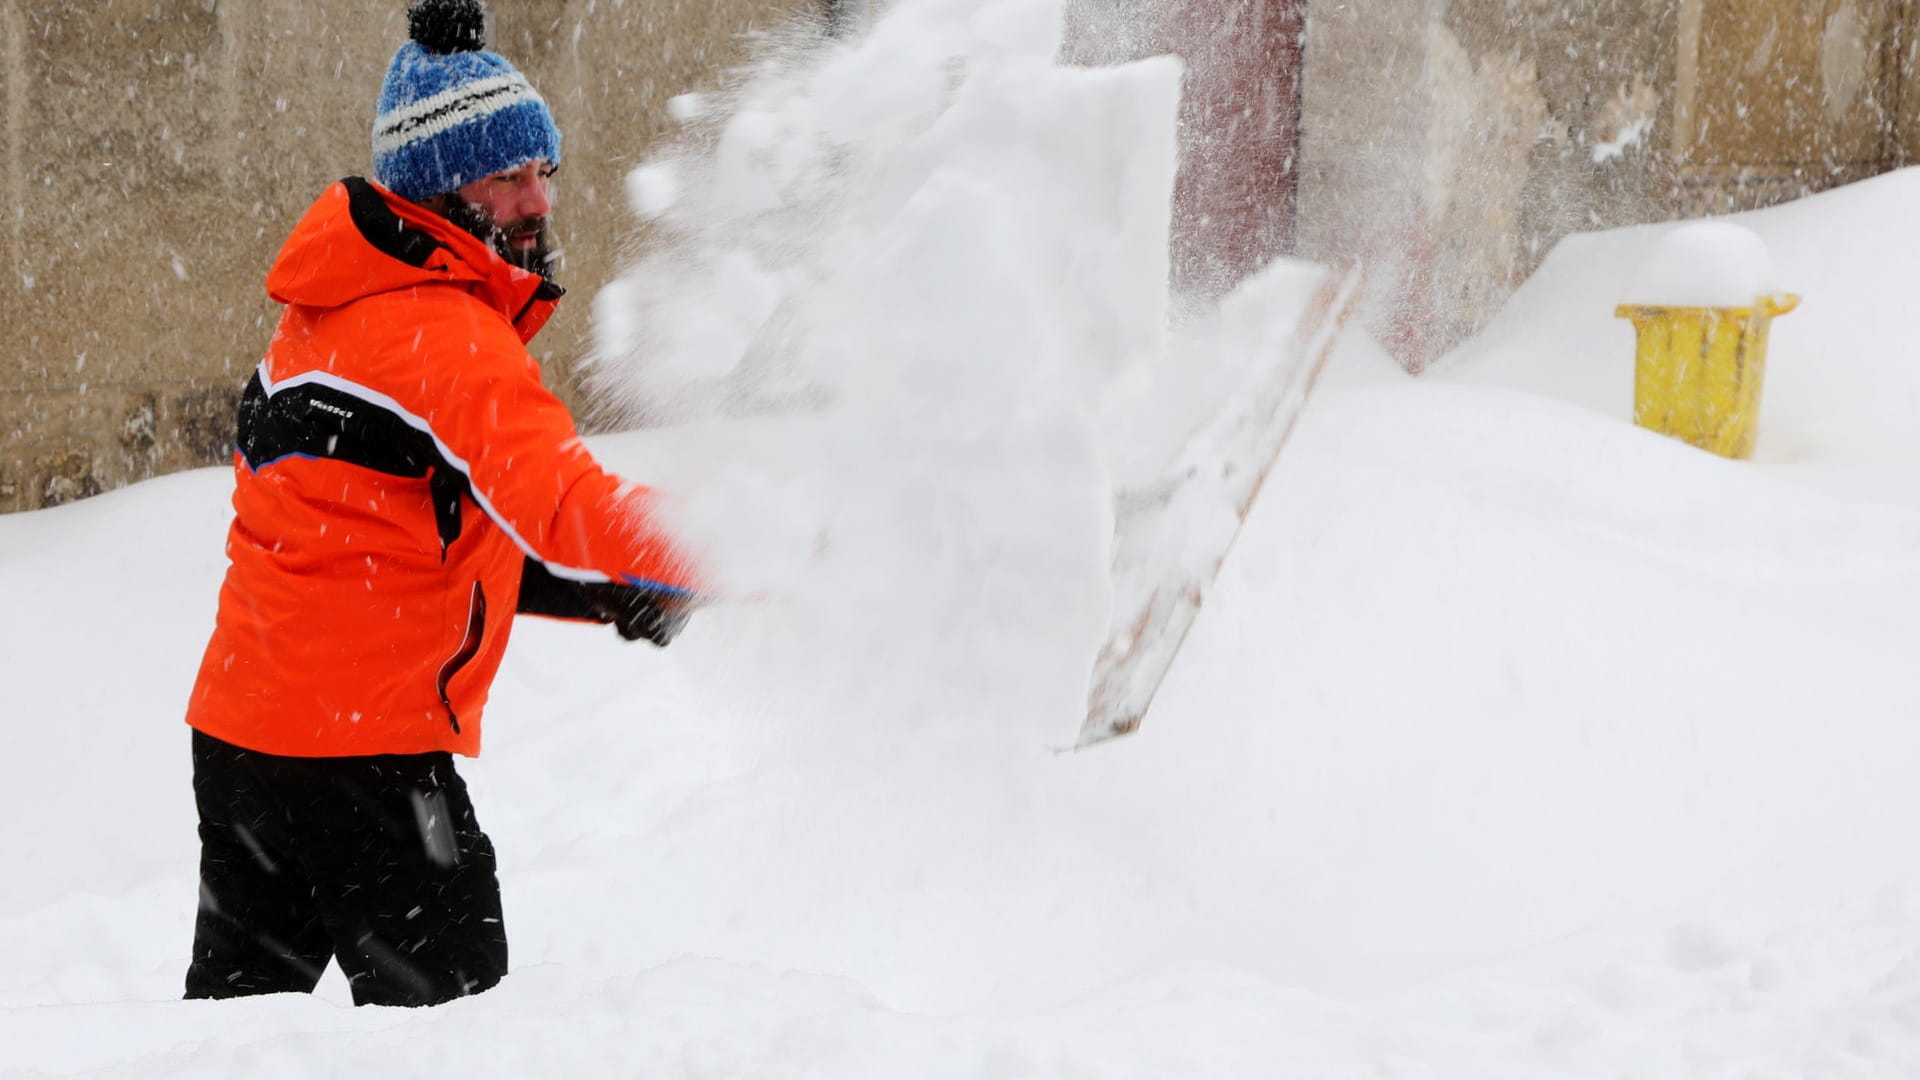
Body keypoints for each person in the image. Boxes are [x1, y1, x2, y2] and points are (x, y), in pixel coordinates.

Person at [180, 0, 699, 1007]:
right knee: (455, 1028)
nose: (535, 201)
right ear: (434, 186)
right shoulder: (443, 336)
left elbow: (387, 534)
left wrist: (602, 595)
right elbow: (562, 502)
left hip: (246, 740)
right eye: (505, 176)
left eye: (544, 172)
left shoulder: (327, 313)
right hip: (360, 752)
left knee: (237, 1035)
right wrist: (730, 546)